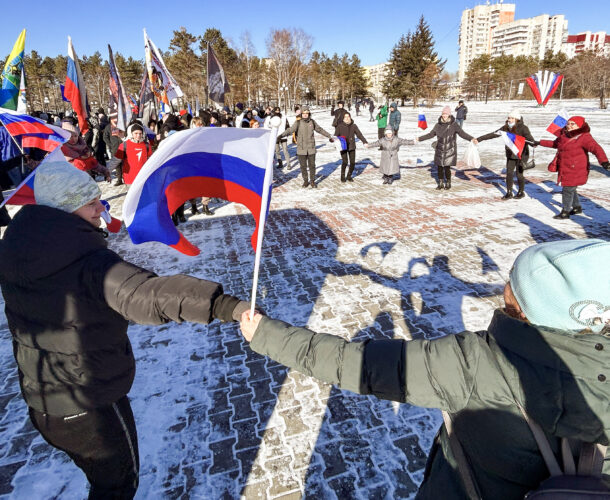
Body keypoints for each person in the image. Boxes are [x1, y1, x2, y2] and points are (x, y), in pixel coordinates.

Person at [239, 238, 610, 499]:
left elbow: (353, 363)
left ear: (534, 303)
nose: (503, 283)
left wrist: (264, 334)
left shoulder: (476, 363)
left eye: (512, 279)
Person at [0, 160, 249, 499]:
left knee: (101, 481)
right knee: (117, 486)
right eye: (90, 203)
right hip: (89, 408)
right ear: (64, 208)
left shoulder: (17, 249)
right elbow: (148, 295)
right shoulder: (87, 263)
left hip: (42, 404)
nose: (99, 210)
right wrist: (224, 305)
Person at [537, 115, 609, 219]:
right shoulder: (564, 135)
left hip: (577, 168)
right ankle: (576, 207)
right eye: (568, 123)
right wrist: (539, 142)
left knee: (567, 189)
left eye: (572, 124)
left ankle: (565, 212)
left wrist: (604, 162)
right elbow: (555, 143)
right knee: (570, 187)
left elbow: (596, 148)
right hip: (565, 167)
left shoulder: (584, 137)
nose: (569, 126)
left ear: (579, 126)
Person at [477, 109, 536, 200]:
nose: (509, 120)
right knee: (509, 173)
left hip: (522, 154)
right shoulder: (505, 128)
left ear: (517, 119)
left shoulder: (523, 128)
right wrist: (479, 139)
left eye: (512, 118)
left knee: (519, 174)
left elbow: (530, 139)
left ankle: (521, 192)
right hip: (511, 154)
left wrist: (533, 143)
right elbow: (494, 134)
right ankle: (509, 192)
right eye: (509, 118)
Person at [417, 106, 477, 190]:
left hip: (450, 150)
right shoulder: (438, 125)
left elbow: (462, 133)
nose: (444, 115)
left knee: (447, 168)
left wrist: (471, 138)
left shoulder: (454, 124)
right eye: (443, 114)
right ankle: (440, 183)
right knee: (440, 168)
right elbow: (430, 135)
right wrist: (420, 138)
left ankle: (448, 182)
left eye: (445, 114)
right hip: (440, 149)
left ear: (449, 115)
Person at [278, 107, 334, 188]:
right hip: (301, 148)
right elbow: (290, 130)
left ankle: (312, 181)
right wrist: (281, 135)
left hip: (311, 148)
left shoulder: (312, 122)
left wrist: (329, 136)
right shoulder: (298, 122)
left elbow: (320, 130)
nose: (305, 115)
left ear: (309, 114)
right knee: (303, 166)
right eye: (303, 113)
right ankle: (305, 181)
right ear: (301, 114)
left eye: (306, 113)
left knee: (312, 165)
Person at [333, 111, 368, 182]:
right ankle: (342, 176)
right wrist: (332, 140)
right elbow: (335, 136)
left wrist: (364, 141)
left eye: (348, 117)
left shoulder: (354, 126)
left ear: (350, 117)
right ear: (343, 118)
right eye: (345, 117)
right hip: (343, 147)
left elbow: (359, 135)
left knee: (352, 163)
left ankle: (349, 176)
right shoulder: (339, 126)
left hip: (351, 146)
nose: (347, 118)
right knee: (345, 162)